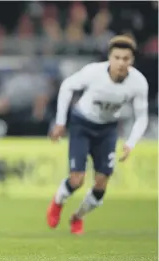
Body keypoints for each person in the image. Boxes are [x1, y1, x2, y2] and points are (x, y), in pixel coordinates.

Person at [47, 35, 149, 235]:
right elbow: (67, 86)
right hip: (82, 124)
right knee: (77, 180)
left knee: (101, 185)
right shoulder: (93, 72)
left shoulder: (138, 83)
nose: (121, 63)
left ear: (132, 61)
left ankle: (77, 217)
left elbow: (142, 117)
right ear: (110, 58)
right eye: (117, 57)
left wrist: (131, 143)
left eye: (125, 59)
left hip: (108, 129)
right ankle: (58, 202)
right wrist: (60, 122)